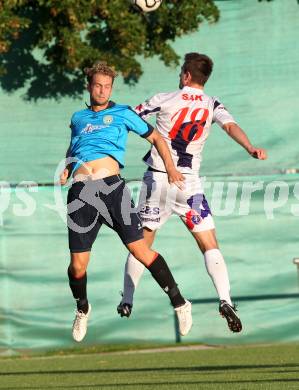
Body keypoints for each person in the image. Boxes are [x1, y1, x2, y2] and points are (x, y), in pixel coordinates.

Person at [117, 53, 268, 333]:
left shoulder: (164, 98)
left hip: (158, 180)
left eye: (180, 72)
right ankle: (225, 300)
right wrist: (250, 148)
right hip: (189, 185)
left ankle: (127, 299)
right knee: (210, 243)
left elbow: (129, 117)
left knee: (141, 244)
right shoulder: (212, 104)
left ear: (186, 76)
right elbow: (231, 127)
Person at [59, 61, 192, 342]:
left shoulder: (122, 113)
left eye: (107, 86)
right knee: (77, 267)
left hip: (112, 190)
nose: (102, 90)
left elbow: (156, 137)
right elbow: (74, 145)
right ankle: (82, 308)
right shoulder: (78, 117)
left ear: (112, 87)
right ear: (89, 85)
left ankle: (180, 303)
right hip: (80, 193)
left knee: (141, 251)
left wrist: (169, 167)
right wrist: (67, 169)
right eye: (98, 85)